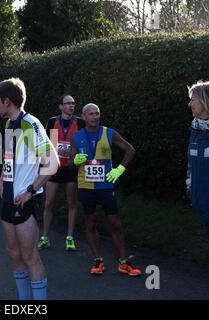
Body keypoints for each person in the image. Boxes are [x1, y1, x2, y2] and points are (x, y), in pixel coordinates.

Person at [0, 77, 59, 300]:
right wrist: (4, 175)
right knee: (14, 254)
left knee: (30, 257)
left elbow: (53, 163)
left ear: (7, 101)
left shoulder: (30, 124)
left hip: (26, 200)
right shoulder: (9, 123)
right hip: (9, 200)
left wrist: (31, 190)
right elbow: (13, 157)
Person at [71, 103, 141, 276]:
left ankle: (123, 262)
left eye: (98, 113)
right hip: (86, 186)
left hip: (105, 185)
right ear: (84, 116)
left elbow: (130, 150)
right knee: (90, 222)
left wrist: (120, 169)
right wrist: (76, 160)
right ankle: (98, 260)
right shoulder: (76, 136)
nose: (95, 117)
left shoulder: (109, 133)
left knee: (114, 223)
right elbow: (71, 158)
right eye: (91, 114)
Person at [38, 94, 85, 251]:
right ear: (60, 106)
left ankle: (69, 237)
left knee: (72, 203)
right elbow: (45, 143)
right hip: (54, 167)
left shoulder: (79, 122)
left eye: (73, 103)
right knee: (49, 202)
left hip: (71, 167)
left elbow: (83, 143)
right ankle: (45, 237)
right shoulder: (53, 121)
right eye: (68, 103)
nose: (71, 106)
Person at [186, 80, 209, 243]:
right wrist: (190, 190)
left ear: (205, 100)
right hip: (201, 202)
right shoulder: (195, 131)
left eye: (193, 99)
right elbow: (190, 166)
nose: (189, 104)